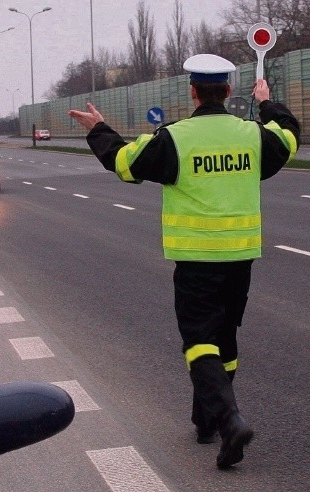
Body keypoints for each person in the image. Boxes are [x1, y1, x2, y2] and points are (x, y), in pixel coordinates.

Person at [68, 54, 299, 469]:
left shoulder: (175, 138)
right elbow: (288, 137)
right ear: (228, 92)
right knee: (224, 341)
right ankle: (206, 421)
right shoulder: (252, 135)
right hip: (240, 257)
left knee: (199, 342)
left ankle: (229, 420)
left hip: (196, 259)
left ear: (193, 92)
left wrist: (98, 129)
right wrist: (266, 103)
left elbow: (123, 162)